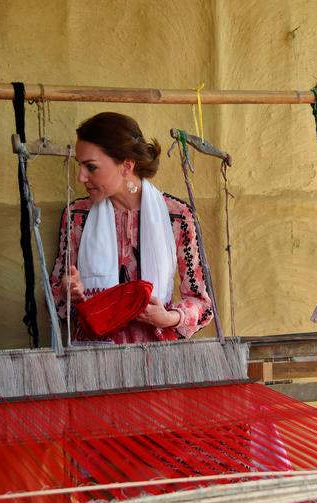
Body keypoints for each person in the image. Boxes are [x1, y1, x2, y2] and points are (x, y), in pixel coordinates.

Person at [49, 112, 213, 343]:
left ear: (126, 165)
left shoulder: (176, 216)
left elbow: (202, 304)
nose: (81, 177)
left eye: (91, 167)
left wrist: (168, 317)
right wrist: (71, 292)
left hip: (157, 360)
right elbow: (56, 294)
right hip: (94, 358)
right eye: (80, 166)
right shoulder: (77, 216)